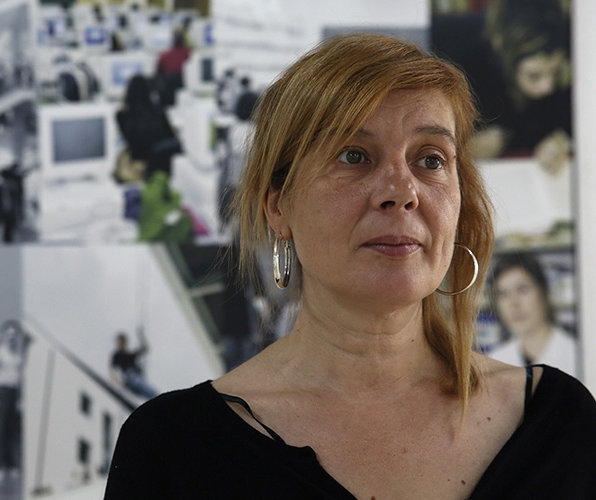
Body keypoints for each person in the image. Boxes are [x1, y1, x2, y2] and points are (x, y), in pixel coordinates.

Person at [104, 34, 596, 499]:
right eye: (353, 155)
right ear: (278, 207)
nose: (401, 191)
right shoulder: (174, 447)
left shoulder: (558, 424)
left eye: (430, 160)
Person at [432, 0, 571, 173]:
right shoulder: (458, 64)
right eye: (534, 76)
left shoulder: (571, 47)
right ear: (500, 47)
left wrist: (561, 139)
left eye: (556, 72)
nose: (547, 87)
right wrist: (462, 149)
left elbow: (563, 120)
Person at [488, 252, 577, 375]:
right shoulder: (496, 361)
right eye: (503, 294)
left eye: (522, 289)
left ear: (544, 292)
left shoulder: (576, 355)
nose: (514, 303)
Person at [0, 319, 30, 482]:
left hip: (13, 392)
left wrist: (20, 399)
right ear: (4, 335)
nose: (12, 337)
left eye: (14, 335)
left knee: (11, 431)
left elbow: (20, 376)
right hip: (1, 390)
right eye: (9, 334)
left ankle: (10, 464)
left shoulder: (18, 353)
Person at [110, 329, 158, 400]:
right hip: (131, 378)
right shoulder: (117, 355)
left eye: (121, 342)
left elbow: (146, 349)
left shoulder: (130, 354)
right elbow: (112, 371)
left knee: (150, 393)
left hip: (138, 377)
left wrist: (141, 335)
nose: (120, 344)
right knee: (152, 393)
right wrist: (118, 383)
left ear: (125, 342)